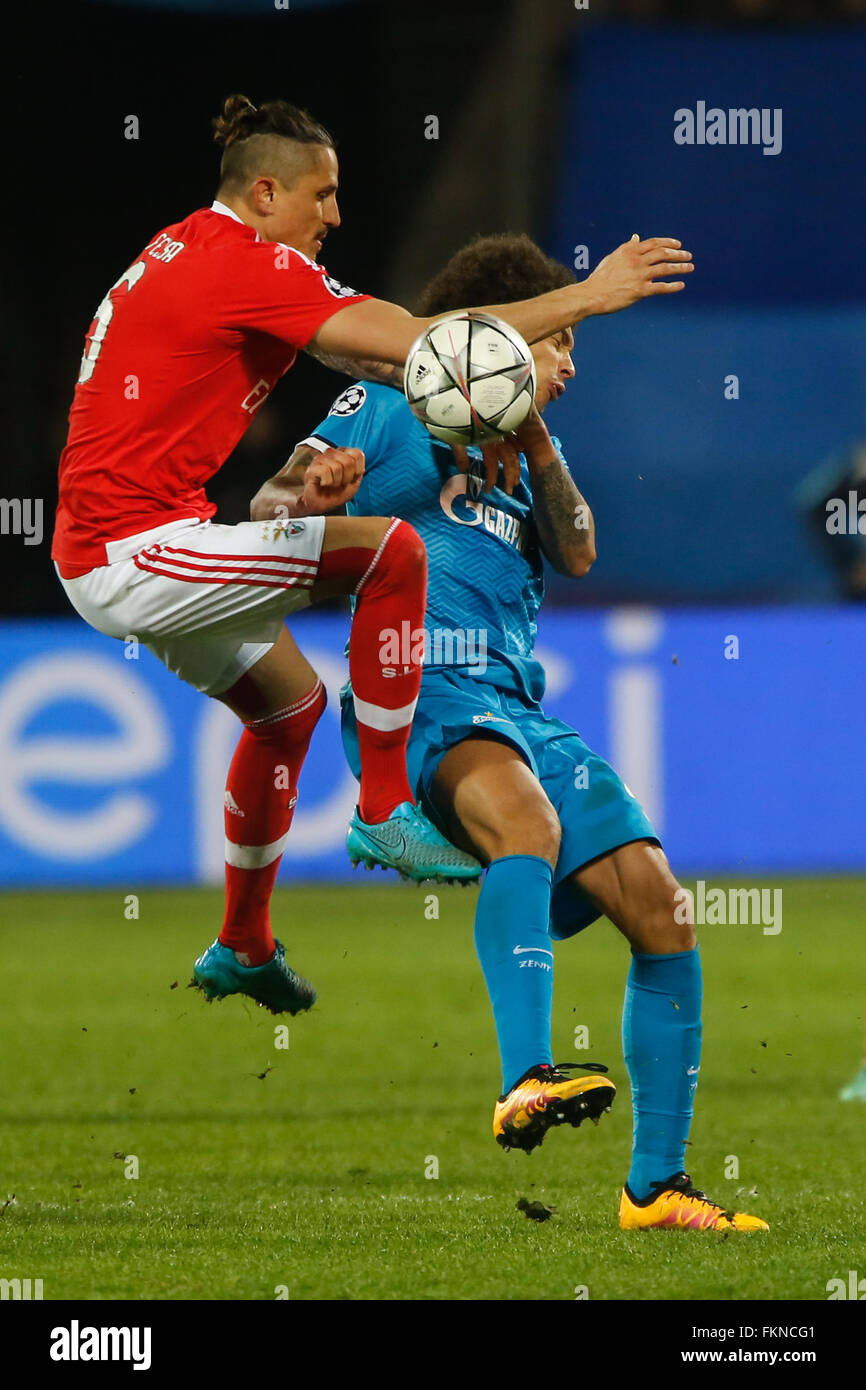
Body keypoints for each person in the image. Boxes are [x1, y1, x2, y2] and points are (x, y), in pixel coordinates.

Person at [51, 91, 692, 1019]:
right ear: (265, 193)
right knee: (392, 555)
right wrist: (592, 293)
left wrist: (309, 494)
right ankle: (386, 808)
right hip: (130, 545)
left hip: (145, 531)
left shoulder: (197, 250)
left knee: (289, 708)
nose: (336, 217)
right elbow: (435, 347)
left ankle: (244, 944)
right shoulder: (243, 262)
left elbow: (404, 364)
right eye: (323, 196)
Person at [253, 233, 768, 1233]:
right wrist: (305, 497)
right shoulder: (392, 402)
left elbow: (576, 552)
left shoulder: (525, 444)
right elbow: (273, 497)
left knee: (662, 911)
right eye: (561, 340)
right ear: (498, 338)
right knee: (523, 825)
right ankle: (523, 1075)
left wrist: (536, 445)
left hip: (516, 703)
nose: (570, 363)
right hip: (424, 685)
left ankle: (654, 1188)